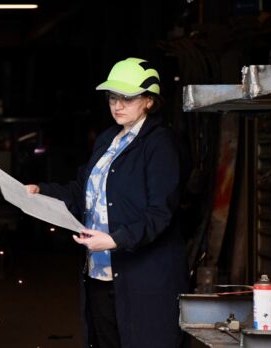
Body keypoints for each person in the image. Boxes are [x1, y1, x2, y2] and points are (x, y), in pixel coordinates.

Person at [26, 57, 186, 348]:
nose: (117, 105)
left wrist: (115, 240)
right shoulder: (107, 140)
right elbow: (83, 193)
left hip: (142, 279)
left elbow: (160, 213)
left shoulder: (160, 144)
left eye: (127, 98)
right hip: (100, 272)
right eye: (113, 97)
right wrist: (42, 192)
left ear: (149, 101)